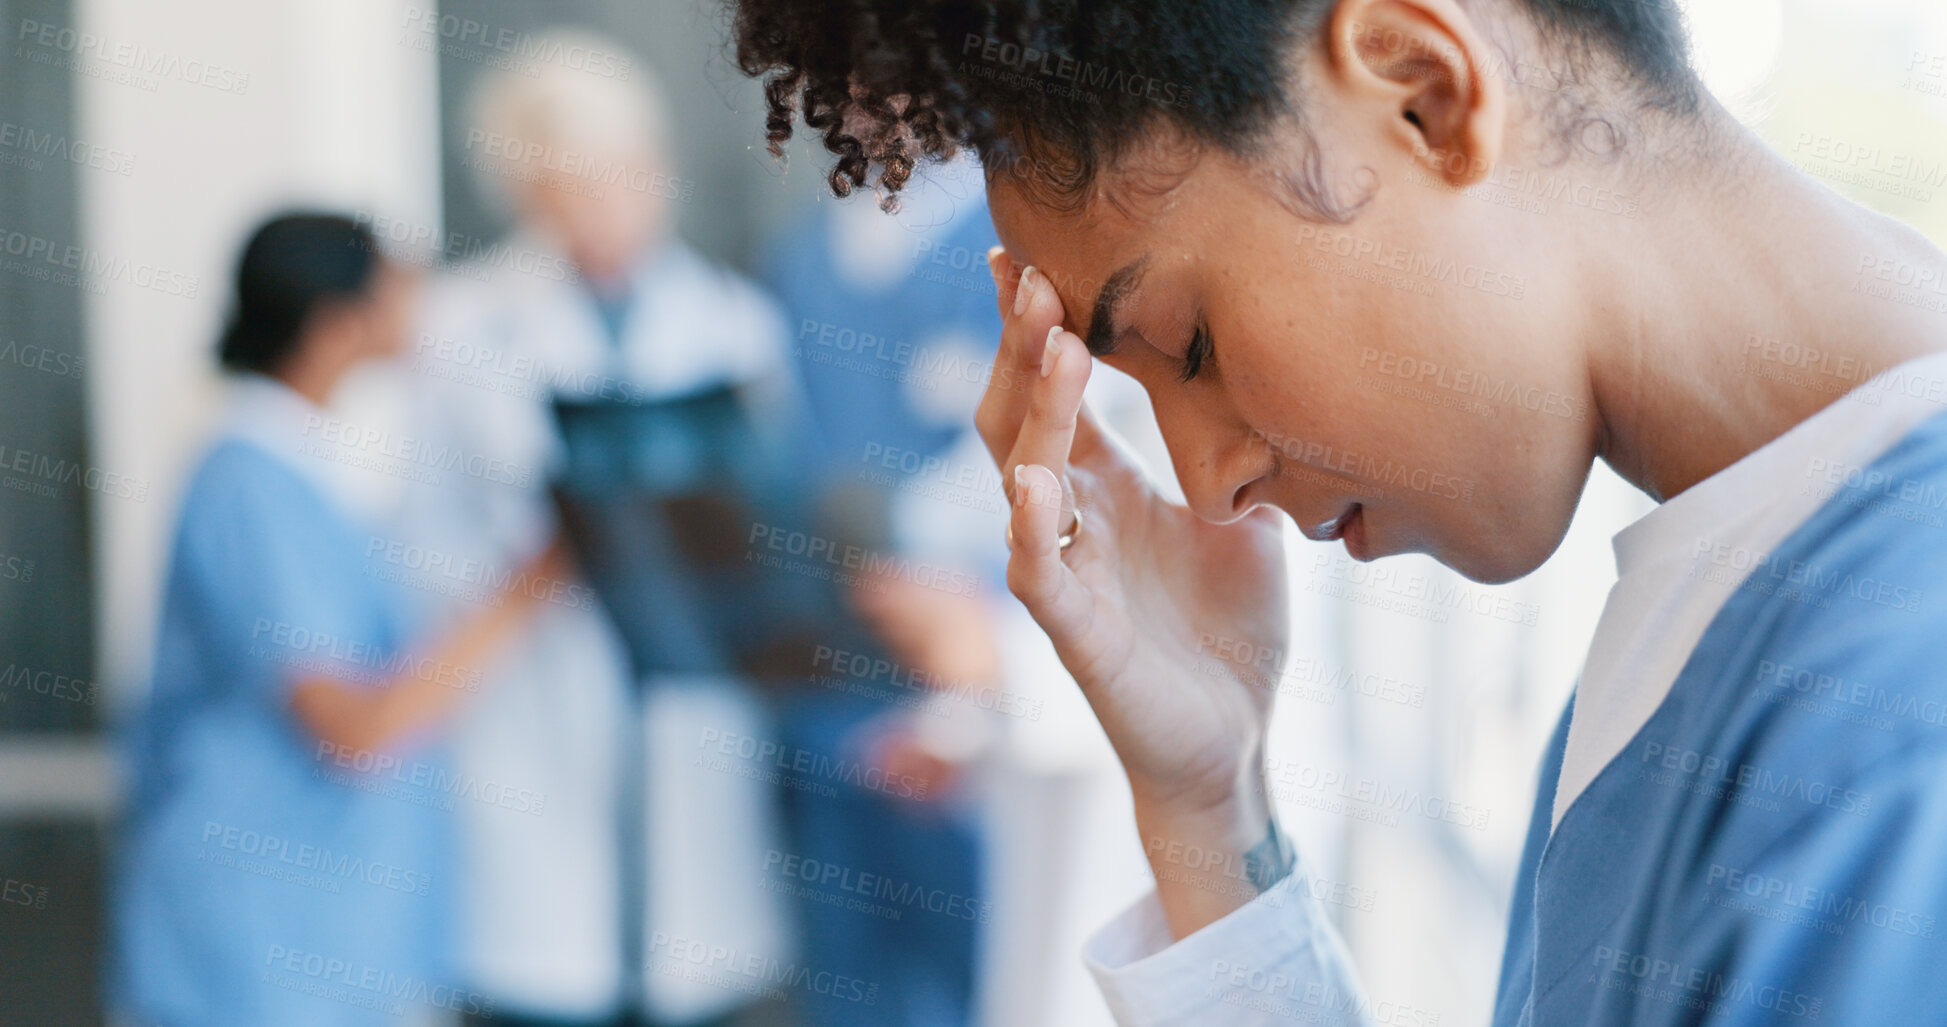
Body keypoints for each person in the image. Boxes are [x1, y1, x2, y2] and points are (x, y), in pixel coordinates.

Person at [726, 0, 1947, 1023]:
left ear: (1421, 90)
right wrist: (1211, 811)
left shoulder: (1896, 707)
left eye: (1187, 343)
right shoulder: (1738, 579)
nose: (1209, 484)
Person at [113, 213, 561, 1026]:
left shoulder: (307, 470)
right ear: (334, 325)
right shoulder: (250, 485)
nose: (420, 312)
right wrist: (527, 590)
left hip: (324, 936)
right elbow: (354, 724)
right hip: (255, 943)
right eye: (397, 293)